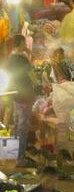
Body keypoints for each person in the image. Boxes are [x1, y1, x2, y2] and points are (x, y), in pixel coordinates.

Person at [7, 35, 35, 167]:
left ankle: (13, 155)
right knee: (22, 128)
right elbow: (32, 75)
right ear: (20, 44)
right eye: (24, 43)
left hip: (15, 95)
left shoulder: (11, 58)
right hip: (24, 95)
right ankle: (20, 158)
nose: (26, 45)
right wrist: (38, 86)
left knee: (17, 126)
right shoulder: (22, 58)